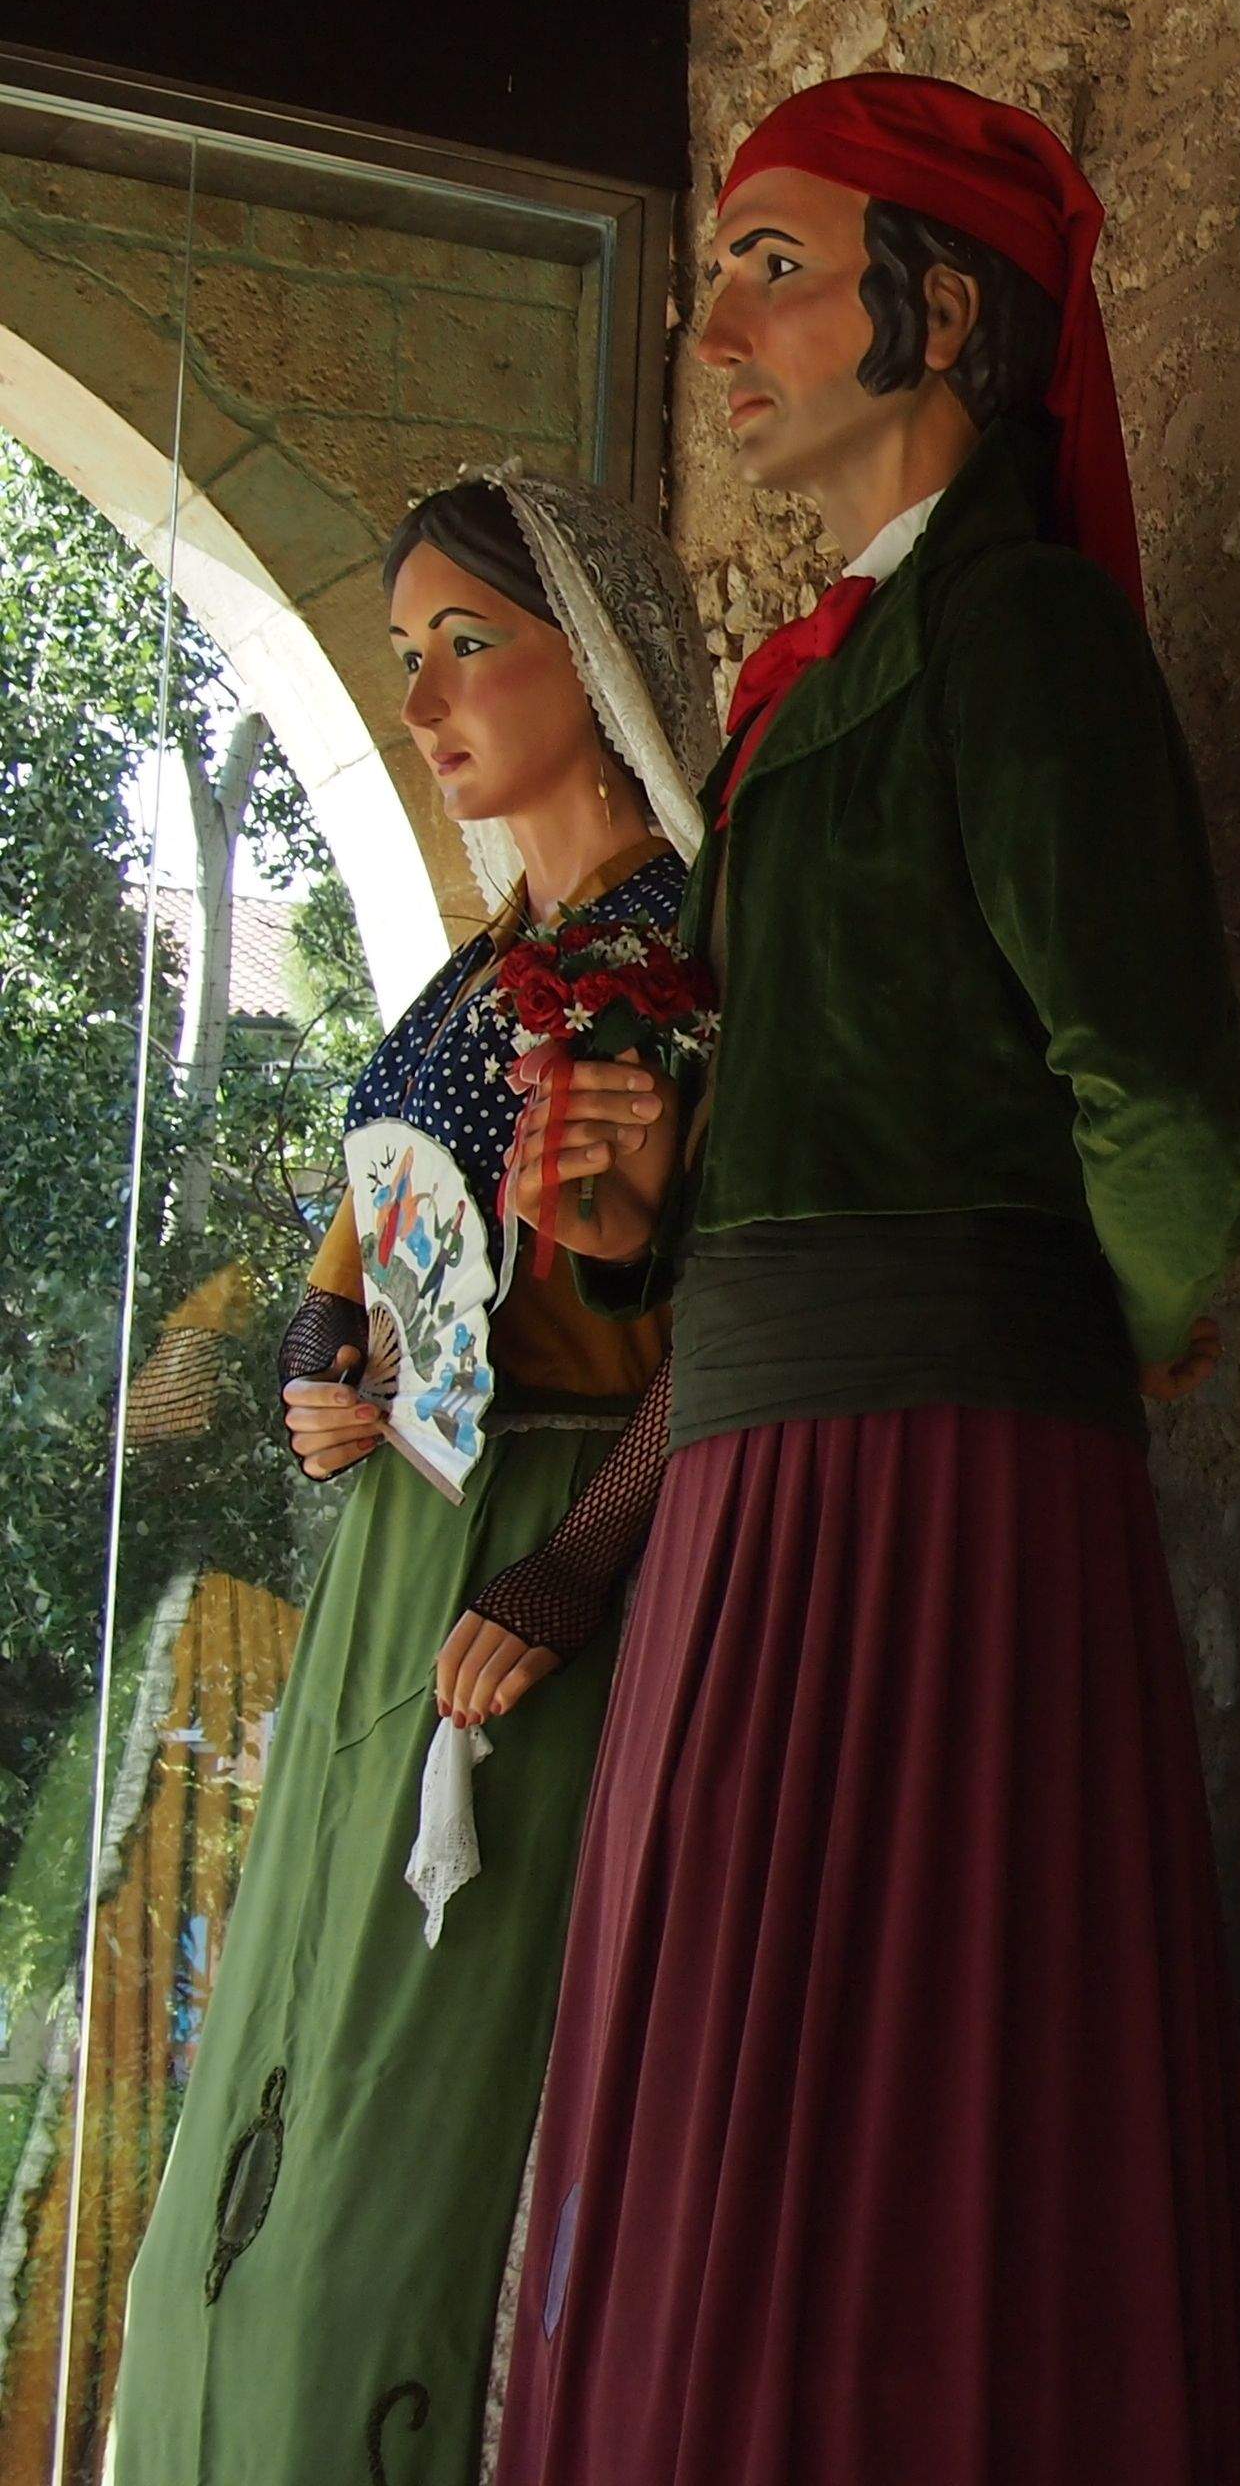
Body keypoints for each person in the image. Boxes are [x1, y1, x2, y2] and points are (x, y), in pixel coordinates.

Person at [491, 71, 1240, 2485]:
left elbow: (1156, 1100)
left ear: (943, 314)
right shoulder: (809, 690)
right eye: (715, 266)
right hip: (765, 1477)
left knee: (903, 2117)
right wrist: (652, 1210)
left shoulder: (1022, 642)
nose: (725, 330)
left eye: (774, 267)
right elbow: (845, 1103)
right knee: (733, 2098)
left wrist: (1101, 1341)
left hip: (943, 1496)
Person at [110, 469, 710, 2483]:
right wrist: (322, 1374)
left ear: (595, 657)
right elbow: (355, 1260)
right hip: (408, 1534)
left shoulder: (692, 952)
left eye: (476, 644)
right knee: (301, 2043)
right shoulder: (486, 964)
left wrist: (582, 1557)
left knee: (436, 2064)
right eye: (407, 662)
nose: (433, 701)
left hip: (542, 1552)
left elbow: (727, 1304)